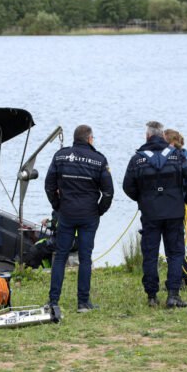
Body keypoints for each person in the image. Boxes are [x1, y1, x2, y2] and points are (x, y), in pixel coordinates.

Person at [123, 121, 187, 309]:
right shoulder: (178, 155)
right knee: (175, 253)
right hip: (174, 211)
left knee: (150, 254)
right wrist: (186, 201)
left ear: (147, 136)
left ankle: (152, 296)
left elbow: (127, 186)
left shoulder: (137, 159)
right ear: (163, 136)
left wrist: (143, 199)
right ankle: (173, 295)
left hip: (150, 213)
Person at [45, 125, 114, 312]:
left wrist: (57, 206)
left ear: (75, 139)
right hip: (88, 214)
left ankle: (53, 301)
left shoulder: (60, 156)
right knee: (85, 258)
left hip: (66, 213)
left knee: (60, 256)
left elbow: (49, 186)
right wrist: (99, 210)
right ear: (90, 139)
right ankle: (83, 303)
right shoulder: (99, 160)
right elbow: (108, 192)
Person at [164, 128, 187, 287]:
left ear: (169, 142)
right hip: (183, 202)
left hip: (173, 204)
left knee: (172, 244)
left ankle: (179, 278)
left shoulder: (172, 157)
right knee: (178, 240)